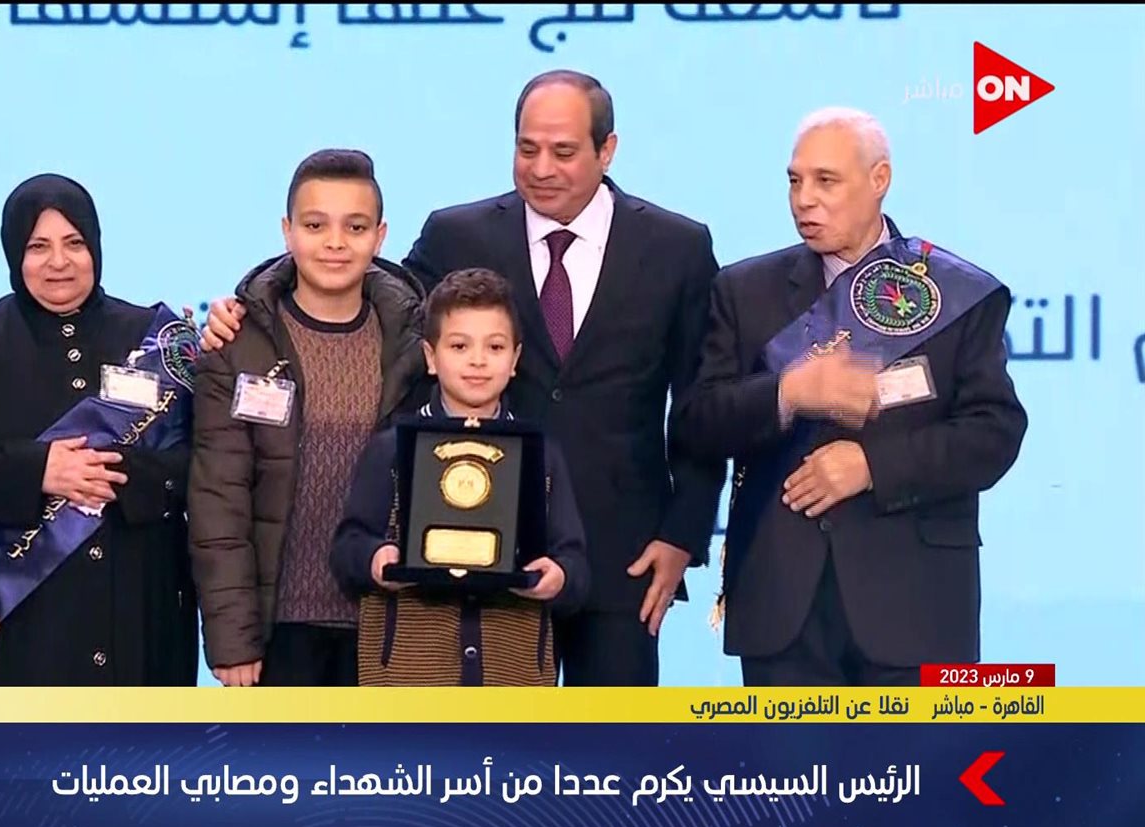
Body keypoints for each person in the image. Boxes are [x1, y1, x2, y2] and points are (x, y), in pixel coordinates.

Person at [202, 71, 724, 685]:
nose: (541, 168)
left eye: (563, 151)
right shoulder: (458, 235)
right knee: (483, 738)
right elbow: (360, 280)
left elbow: (700, 403)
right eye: (527, 148)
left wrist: (683, 534)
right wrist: (248, 305)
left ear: (607, 150)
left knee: (611, 741)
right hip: (469, 566)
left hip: (621, 557)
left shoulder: (676, 246)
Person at [672, 108, 1027, 686]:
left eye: (826, 181)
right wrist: (787, 393)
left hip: (916, 607)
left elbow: (994, 434)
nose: (803, 200)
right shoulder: (744, 291)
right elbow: (697, 423)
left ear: (879, 179)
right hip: (782, 610)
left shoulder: (958, 295)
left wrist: (872, 466)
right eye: (794, 181)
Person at [0, 173, 199, 687]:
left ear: (96, 248)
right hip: (12, 637)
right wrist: (38, 471)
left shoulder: (151, 337)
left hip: (136, 612)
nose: (59, 262)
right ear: (13, 254)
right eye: (38, 247)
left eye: (74, 243)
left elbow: (200, 462)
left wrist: (120, 472)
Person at [188, 149, 430, 688]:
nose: (335, 243)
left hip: (390, 626)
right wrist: (233, 640)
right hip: (279, 632)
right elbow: (218, 503)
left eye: (355, 227)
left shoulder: (417, 348)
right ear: (287, 231)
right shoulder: (237, 346)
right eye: (316, 225)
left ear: (381, 236)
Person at [331, 268, 590, 685]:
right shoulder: (391, 449)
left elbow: (574, 563)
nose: (478, 360)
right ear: (431, 357)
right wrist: (376, 560)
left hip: (514, 678)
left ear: (515, 360)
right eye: (459, 345)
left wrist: (559, 577)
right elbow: (348, 547)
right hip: (407, 681)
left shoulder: (541, 456)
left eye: (495, 347)